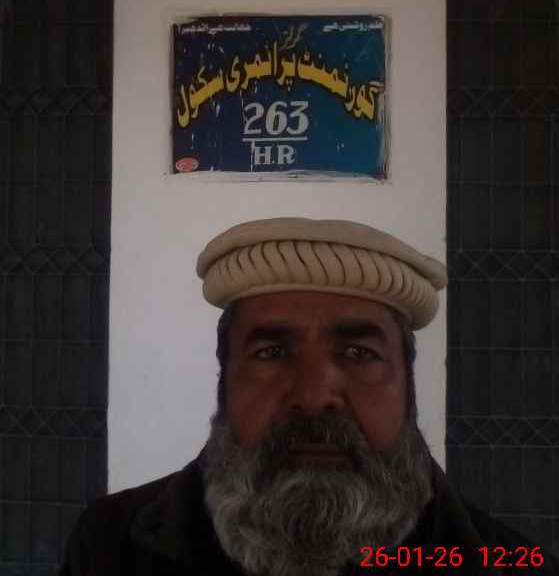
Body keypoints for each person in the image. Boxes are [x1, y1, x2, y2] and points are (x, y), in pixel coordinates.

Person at [60, 217, 559, 575]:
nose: (315, 395)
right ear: (224, 382)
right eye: (272, 352)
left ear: (408, 387)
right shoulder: (108, 545)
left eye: (359, 353)